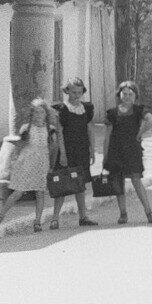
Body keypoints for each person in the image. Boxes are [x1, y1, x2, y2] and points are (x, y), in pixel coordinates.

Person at [0, 101, 53, 237]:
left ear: (45, 114)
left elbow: (51, 147)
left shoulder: (49, 129)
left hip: (41, 164)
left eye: (42, 112)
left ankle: (37, 221)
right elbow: (20, 145)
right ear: (32, 114)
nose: (39, 115)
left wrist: (51, 165)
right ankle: (1, 215)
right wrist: (15, 161)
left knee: (40, 193)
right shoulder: (26, 128)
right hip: (26, 163)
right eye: (36, 112)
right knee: (18, 191)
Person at [101, 80, 152, 226]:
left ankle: (149, 212)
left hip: (133, 151)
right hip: (116, 152)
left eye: (130, 94)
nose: (127, 97)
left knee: (136, 181)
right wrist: (105, 157)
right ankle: (123, 214)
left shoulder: (138, 110)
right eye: (124, 94)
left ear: (135, 96)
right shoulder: (112, 113)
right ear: (119, 95)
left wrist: (140, 133)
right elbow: (107, 136)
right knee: (118, 183)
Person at [52, 81, 100, 232]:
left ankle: (83, 217)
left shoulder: (86, 108)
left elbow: (90, 129)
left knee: (80, 184)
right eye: (73, 92)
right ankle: (54, 219)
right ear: (67, 91)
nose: (77, 95)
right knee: (62, 185)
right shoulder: (62, 109)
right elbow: (59, 133)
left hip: (82, 151)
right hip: (67, 151)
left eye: (79, 92)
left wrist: (92, 149)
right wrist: (63, 154)